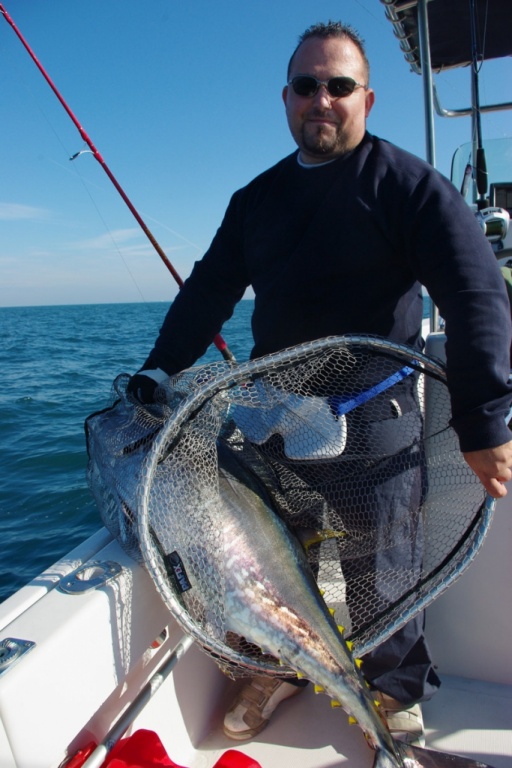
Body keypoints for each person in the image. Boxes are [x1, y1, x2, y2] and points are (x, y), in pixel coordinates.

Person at [128, 21, 512, 746]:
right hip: (273, 418)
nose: (323, 100)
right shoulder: (257, 199)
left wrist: (485, 421)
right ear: (286, 99)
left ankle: (393, 689)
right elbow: (208, 291)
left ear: (367, 99)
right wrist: (160, 367)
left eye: (339, 86)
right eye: (308, 86)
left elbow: (475, 293)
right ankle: (278, 664)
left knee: (385, 562)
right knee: (278, 557)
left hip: (378, 417)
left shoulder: (405, 186)